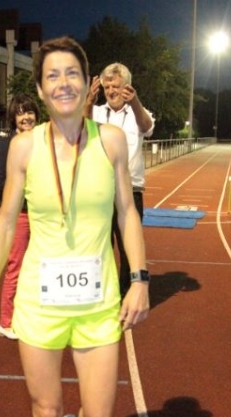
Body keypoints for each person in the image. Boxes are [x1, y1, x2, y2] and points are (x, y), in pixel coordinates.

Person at [0, 36, 150, 417]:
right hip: (40, 301)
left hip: (97, 301)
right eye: (52, 75)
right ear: (39, 88)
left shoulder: (110, 141)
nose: (63, 83)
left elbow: (127, 213)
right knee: (45, 413)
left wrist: (139, 279)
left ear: (86, 82)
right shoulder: (25, 147)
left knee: (101, 414)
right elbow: (6, 221)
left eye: (71, 73)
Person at [84, 63, 155, 297]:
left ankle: (127, 293)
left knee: (128, 247)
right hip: (101, 191)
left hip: (130, 191)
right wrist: (88, 101)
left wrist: (135, 102)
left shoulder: (138, 112)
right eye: (106, 87)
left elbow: (146, 126)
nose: (111, 91)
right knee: (101, 245)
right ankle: (103, 292)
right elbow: (81, 129)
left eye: (115, 86)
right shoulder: (96, 112)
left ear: (126, 86)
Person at [0, 93, 40, 340]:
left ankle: (31, 316)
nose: (26, 117)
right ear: (13, 117)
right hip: (19, 215)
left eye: (30, 112)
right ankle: (6, 321)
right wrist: (25, 190)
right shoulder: (6, 145)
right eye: (21, 113)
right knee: (16, 267)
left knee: (38, 267)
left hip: (41, 215)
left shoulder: (42, 143)